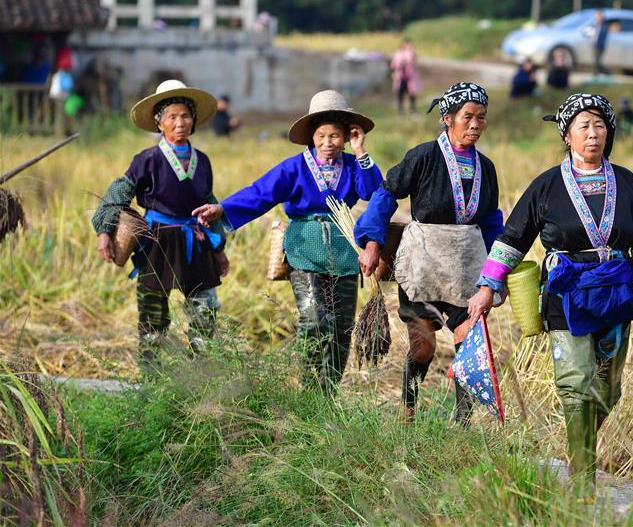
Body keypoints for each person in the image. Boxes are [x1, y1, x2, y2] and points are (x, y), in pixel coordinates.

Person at [467, 93, 633, 486]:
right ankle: (582, 480)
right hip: (565, 295)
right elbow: (513, 238)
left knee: (607, 393)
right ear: (568, 135)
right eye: (583, 126)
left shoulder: (626, 183)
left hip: (615, 293)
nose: (593, 134)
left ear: (608, 132)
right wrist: (488, 285)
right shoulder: (546, 187)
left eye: (599, 125)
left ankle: (582, 451)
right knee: (576, 386)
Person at [192, 90, 382, 394]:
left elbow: (373, 192)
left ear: (347, 136)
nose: (328, 143)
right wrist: (223, 208)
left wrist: (360, 151)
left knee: (341, 328)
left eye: (335, 136)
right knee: (315, 319)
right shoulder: (294, 168)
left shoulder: (353, 164)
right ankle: (308, 387)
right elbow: (261, 193)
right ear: (312, 136)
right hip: (304, 248)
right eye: (321, 136)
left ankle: (327, 393)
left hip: (344, 250)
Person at [354, 82, 504, 424]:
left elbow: (493, 220)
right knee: (423, 348)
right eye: (468, 117)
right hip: (423, 262)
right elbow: (386, 194)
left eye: (482, 118)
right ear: (447, 118)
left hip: (468, 263)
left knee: (467, 342)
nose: (476, 124)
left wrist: (498, 275)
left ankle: (461, 422)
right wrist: (373, 243)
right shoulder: (423, 157)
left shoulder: (487, 168)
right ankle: (408, 414)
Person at [92, 80, 229, 370]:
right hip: (156, 244)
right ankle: (151, 381)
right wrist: (105, 232)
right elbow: (117, 196)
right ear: (159, 124)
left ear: (193, 122)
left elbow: (209, 203)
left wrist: (219, 248)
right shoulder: (147, 160)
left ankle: (199, 376)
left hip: (196, 241)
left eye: (185, 116)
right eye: (172, 117)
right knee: (153, 320)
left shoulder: (202, 161)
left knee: (205, 312)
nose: (180, 123)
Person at [391, 38, 421, 114]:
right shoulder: (398, 53)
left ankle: (413, 110)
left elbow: (414, 61)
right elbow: (394, 64)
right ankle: (401, 110)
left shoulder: (412, 53)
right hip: (400, 77)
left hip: (410, 77)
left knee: (412, 94)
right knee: (400, 94)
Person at [593, 10, 609, 76]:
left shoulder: (604, 26)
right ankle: (597, 73)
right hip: (595, 45)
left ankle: (605, 73)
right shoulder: (596, 25)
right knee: (596, 61)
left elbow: (603, 38)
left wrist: (599, 45)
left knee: (597, 61)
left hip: (600, 46)